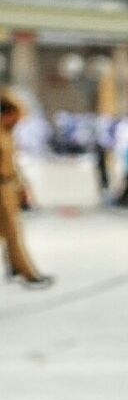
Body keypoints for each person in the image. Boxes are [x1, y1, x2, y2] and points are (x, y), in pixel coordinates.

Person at [0, 91, 53, 289]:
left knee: (10, 232)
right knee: (13, 233)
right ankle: (27, 273)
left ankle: (15, 267)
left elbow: (13, 165)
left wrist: (23, 188)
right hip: (1, 189)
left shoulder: (7, 133)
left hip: (8, 188)